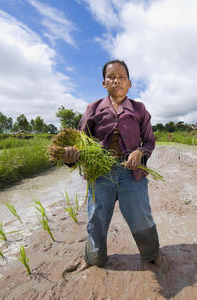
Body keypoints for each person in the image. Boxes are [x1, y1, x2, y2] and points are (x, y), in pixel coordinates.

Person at [63, 60, 160, 268]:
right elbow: (80, 143)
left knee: (141, 216)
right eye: (111, 77)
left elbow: (150, 141)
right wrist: (72, 156)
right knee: (96, 219)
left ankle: (151, 256)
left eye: (121, 77)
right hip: (100, 174)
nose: (117, 80)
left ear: (130, 83)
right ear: (104, 83)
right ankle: (94, 259)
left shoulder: (139, 109)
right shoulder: (94, 108)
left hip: (132, 173)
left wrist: (140, 152)